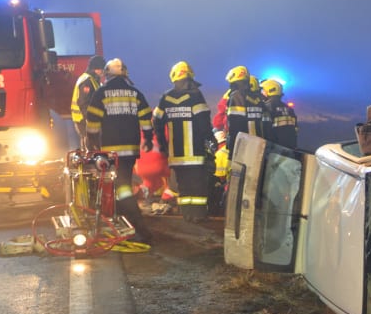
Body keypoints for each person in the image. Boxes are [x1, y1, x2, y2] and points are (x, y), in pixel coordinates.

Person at [85, 58, 156, 242]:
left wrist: (92, 142)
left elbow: (92, 121)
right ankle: (124, 219)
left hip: (110, 151)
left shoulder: (101, 93)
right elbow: (146, 119)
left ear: (107, 74)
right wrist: (148, 139)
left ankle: (140, 228)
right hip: (130, 150)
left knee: (119, 186)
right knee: (122, 184)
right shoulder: (135, 93)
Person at [152, 61, 213, 222]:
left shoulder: (166, 97)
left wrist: (163, 144)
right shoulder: (196, 95)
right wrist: (210, 143)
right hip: (195, 153)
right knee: (197, 187)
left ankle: (187, 216)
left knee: (183, 187)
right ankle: (198, 216)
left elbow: (157, 121)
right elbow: (204, 124)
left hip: (176, 154)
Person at [225, 65, 264, 158]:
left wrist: (232, 149)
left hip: (244, 146)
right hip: (259, 144)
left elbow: (235, 125)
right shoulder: (257, 99)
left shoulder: (236, 96)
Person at [70, 55, 105, 151]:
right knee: (89, 146)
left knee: (90, 144)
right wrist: (89, 119)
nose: (103, 72)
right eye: (101, 69)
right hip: (83, 119)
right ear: (95, 69)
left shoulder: (93, 80)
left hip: (87, 119)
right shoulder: (87, 81)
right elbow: (84, 103)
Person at [260, 79, 298, 149]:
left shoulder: (266, 107)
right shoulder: (289, 109)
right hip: (290, 147)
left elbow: (266, 131)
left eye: (263, 91)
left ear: (269, 91)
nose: (261, 93)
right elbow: (295, 129)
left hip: (275, 148)